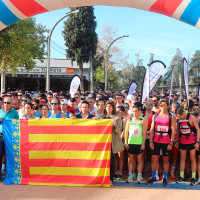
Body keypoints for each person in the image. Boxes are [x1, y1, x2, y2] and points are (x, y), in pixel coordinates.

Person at [146, 100, 176, 186]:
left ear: (167, 106)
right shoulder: (155, 116)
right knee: (154, 159)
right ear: (159, 106)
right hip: (156, 140)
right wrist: (151, 141)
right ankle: (153, 177)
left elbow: (174, 130)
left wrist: (171, 142)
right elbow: (152, 129)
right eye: (162, 105)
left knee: (165, 159)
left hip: (166, 140)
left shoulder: (171, 117)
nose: (163, 107)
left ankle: (165, 178)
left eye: (165, 105)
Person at [100, 102, 124, 186]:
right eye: (107, 106)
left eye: (110, 106)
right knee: (102, 161)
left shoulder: (117, 118)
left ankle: (110, 179)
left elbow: (119, 131)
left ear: (113, 108)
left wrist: (114, 124)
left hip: (112, 142)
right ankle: (102, 178)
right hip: (103, 143)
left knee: (111, 161)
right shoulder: (102, 117)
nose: (108, 108)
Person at [176, 107, 200, 185]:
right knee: (182, 158)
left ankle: (193, 177)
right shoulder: (178, 118)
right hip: (182, 141)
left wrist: (197, 142)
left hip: (191, 141)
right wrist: (176, 140)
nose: (179, 118)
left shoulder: (191, 117)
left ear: (183, 113)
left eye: (179, 116)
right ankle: (181, 177)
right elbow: (177, 130)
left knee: (193, 159)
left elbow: (198, 129)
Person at [125, 105, 148, 183]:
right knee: (130, 159)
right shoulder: (129, 120)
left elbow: (144, 133)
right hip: (131, 142)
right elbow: (126, 132)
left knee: (139, 160)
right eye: (133, 111)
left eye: (136, 111)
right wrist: (126, 142)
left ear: (139, 111)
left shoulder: (142, 120)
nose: (134, 113)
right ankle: (130, 175)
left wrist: (143, 143)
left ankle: (139, 175)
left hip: (139, 143)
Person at [0, 97, 19, 180]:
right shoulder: (0, 112)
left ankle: (10, 174)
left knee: (10, 155)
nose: (6, 104)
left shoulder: (14, 113)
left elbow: (17, 124)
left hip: (10, 137)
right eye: (5, 102)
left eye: (8, 103)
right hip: (0, 136)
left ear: (11, 104)